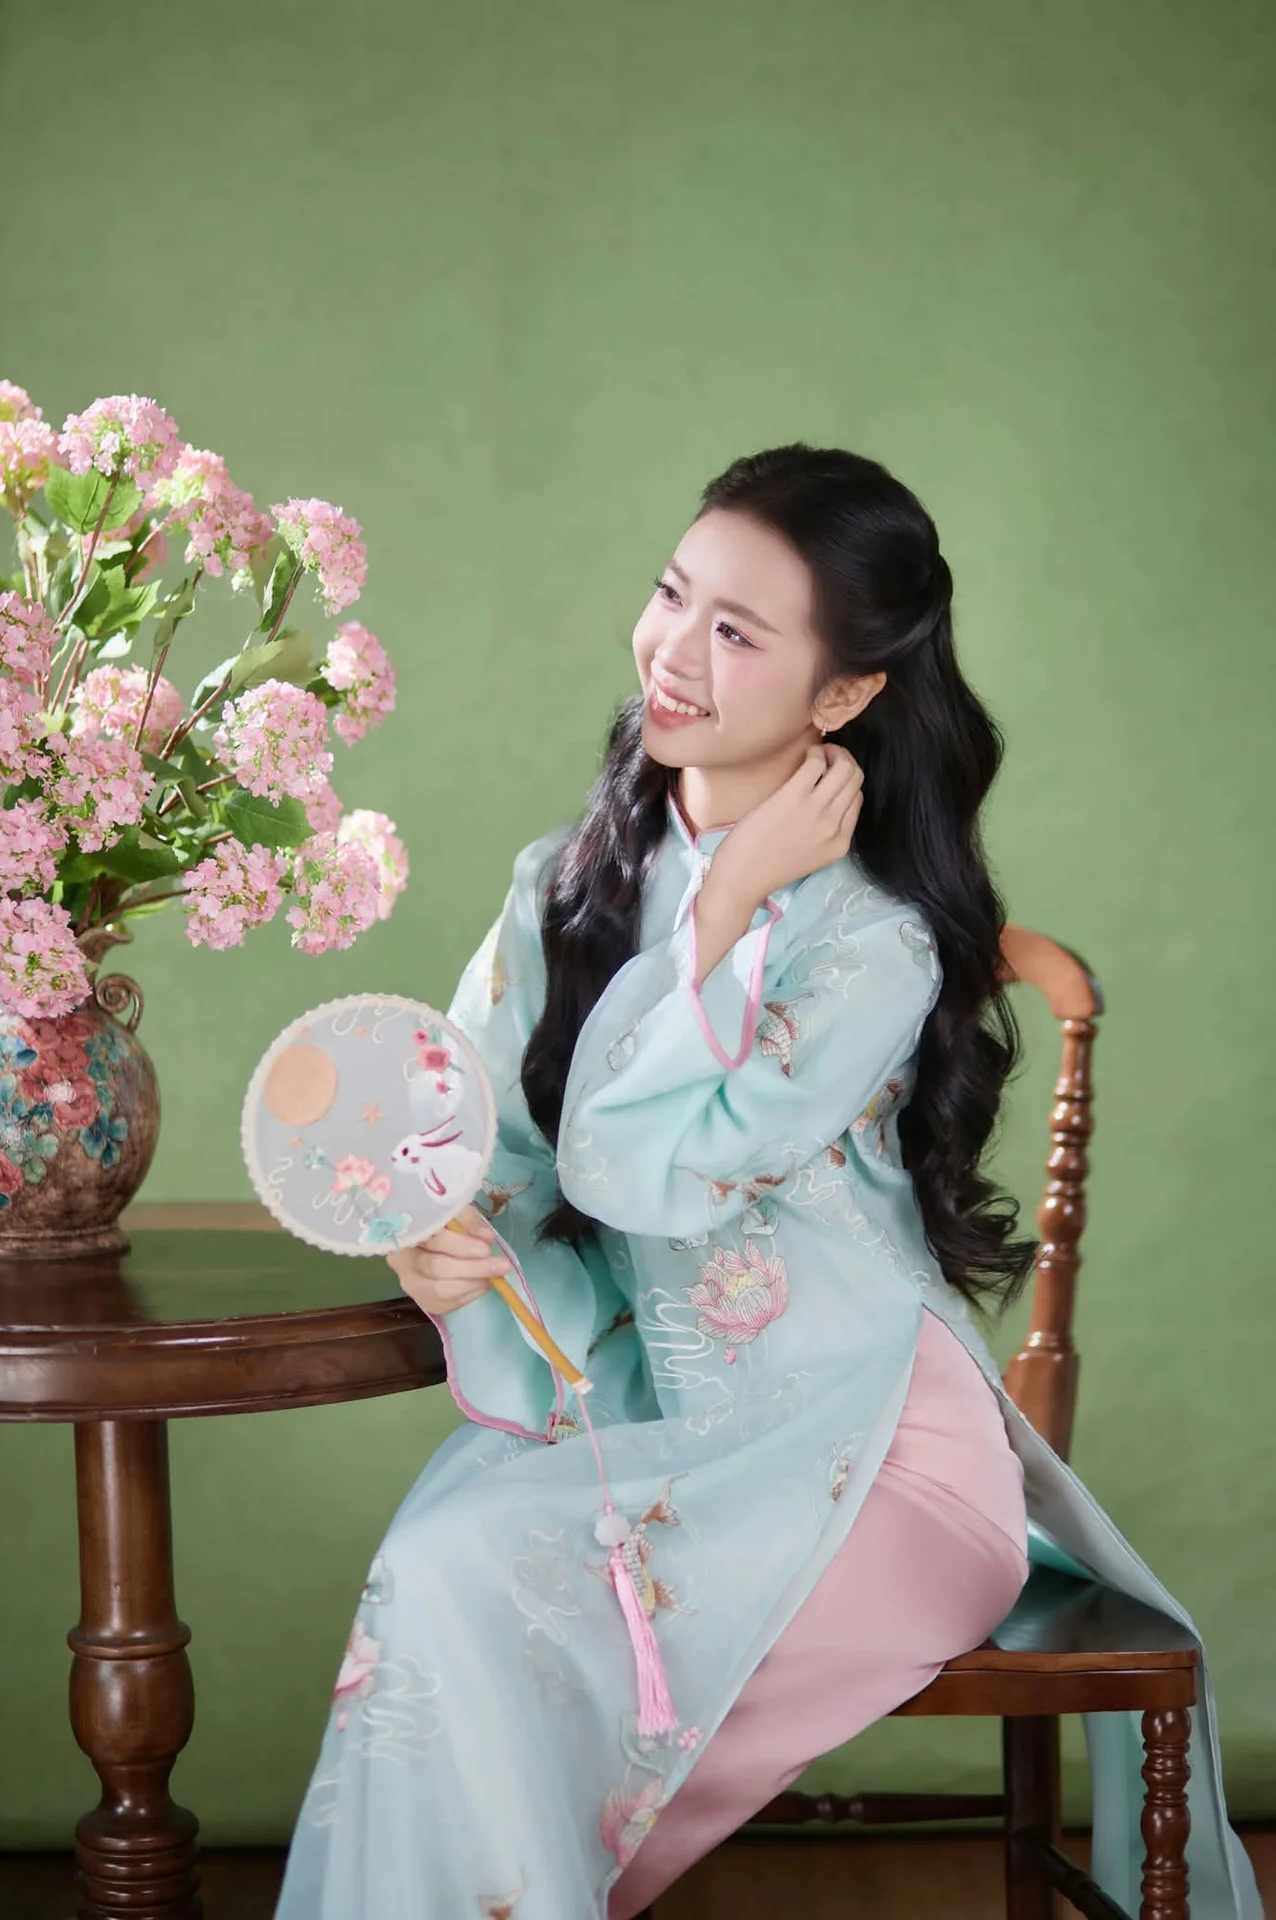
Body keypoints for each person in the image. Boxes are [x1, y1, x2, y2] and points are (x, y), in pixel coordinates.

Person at [274, 444, 1261, 1919]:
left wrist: (729, 899)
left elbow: (637, 1168)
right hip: (668, 1429)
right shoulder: (565, 884)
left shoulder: (872, 941)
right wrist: (439, 1231)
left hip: (876, 1467)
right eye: (673, 595)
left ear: (843, 695)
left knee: (481, 1580)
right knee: (437, 1568)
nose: (674, 652)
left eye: (737, 632)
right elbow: (492, 1145)